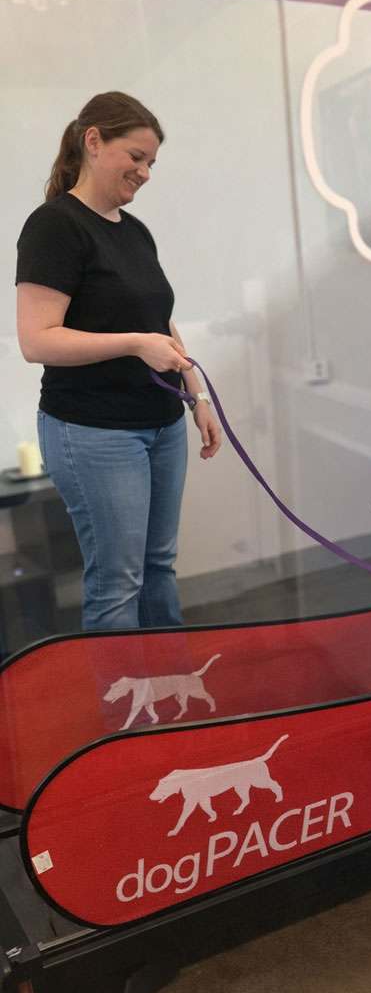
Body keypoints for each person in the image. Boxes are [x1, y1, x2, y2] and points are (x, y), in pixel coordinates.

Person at [15, 91, 223, 631]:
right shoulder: (54, 226)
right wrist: (133, 344)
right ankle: (122, 691)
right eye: (135, 156)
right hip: (94, 431)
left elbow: (159, 321)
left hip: (161, 424)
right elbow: (37, 341)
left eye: (151, 162)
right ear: (93, 141)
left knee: (158, 568)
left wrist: (196, 393)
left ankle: (169, 682)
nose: (145, 173)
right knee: (118, 582)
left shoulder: (134, 232)